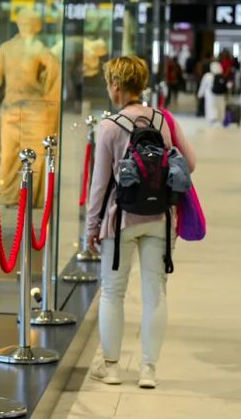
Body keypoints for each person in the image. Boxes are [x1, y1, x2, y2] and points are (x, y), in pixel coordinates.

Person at [86, 55, 196, 389]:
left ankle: (112, 367)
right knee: (155, 294)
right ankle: (148, 369)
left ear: (116, 87)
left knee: (112, 293)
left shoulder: (108, 127)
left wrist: (91, 228)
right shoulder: (163, 120)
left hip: (121, 223)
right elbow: (189, 162)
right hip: (160, 218)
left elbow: (99, 184)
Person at [0, 8, 61, 207]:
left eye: (29, 22)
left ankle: (28, 198)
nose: (25, 25)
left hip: (34, 112)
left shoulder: (40, 50)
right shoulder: (7, 48)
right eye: (23, 21)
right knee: (7, 158)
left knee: (33, 157)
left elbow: (54, 75)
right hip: (12, 111)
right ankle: (8, 195)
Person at [197, 61, 227, 125]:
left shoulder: (207, 76)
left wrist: (199, 95)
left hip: (210, 96)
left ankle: (212, 120)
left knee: (210, 108)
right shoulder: (222, 76)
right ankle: (220, 121)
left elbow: (203, 86)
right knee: (220, 108)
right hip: (220, 96)